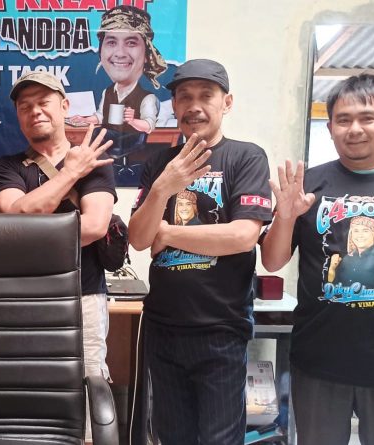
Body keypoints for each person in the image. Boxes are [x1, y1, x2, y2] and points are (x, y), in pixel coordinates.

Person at [261, 73, 374, 445]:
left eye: (367, 118)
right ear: (330, 128)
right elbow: (272, 261)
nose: (354, 129)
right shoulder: (308, 184)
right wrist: (285, 215)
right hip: (319, 361)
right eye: (343, 120)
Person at [128, 58, 273, 444]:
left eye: (206, 96)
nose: (194, 106)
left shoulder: (246, 157)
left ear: (227, 102)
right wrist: (163, 187)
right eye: (184, 97)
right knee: (170, 436)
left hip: (221, 328)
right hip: (163, 326)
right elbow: (139, 238)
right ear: (173, 106)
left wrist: (167, 233)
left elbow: (242, 236)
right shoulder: (158, 162)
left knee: (219, 439)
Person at [0, 70, 115, 398]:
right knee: (26, 392)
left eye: (44, 102)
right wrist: (71, 172)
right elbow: (15, 220)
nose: (35, 111)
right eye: (25, 106)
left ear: (64, 106)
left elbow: (95, 226)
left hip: (83, 296)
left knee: (86, 390)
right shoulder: (6, 167)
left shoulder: (95, 160)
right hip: (22, 297)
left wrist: (29, 233)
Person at [71, 5, 167, 177]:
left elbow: (149, 126)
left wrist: (133, 121)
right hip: (109, 135)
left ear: (147, 53)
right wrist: (84, 120)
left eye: (131, 43)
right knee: (95, 132)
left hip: (131, 138)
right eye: (111, 42)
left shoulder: (147, 98)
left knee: (98, 134)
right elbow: (101, 116)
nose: (120, 53)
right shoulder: (107, 92)